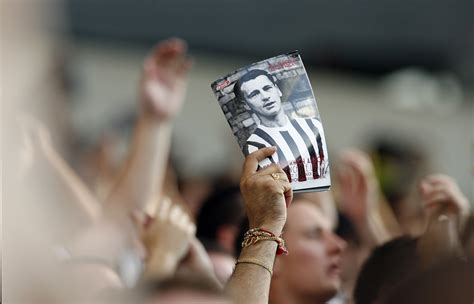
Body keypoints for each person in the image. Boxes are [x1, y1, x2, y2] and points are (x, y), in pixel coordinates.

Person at [233, 69, 328, 183]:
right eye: (255, 94)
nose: (265, 96)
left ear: (277, 90)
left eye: (267, 88)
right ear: (246, 105)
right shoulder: (253, 146)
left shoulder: (313, 125)